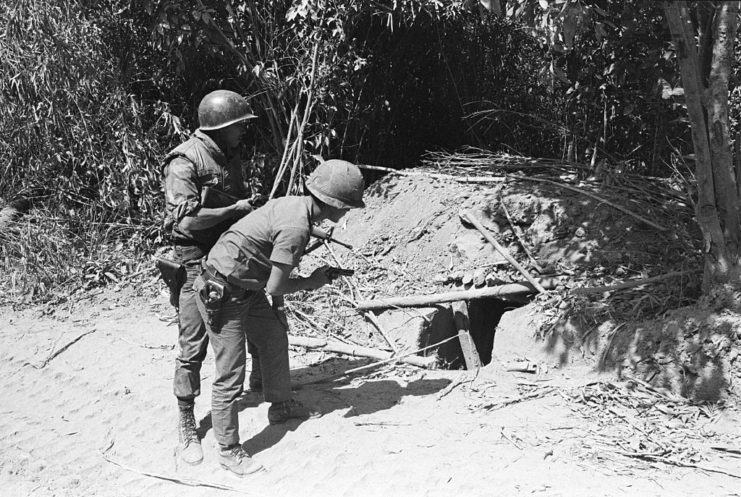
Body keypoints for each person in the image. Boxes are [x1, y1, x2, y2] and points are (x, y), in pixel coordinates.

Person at [193, 159, 365, 476]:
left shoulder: (296, 205)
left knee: (273, 337)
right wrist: (314, 281)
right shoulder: (296, 228)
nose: (347, 212)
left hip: (246, 286)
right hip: (223, 291)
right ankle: (229, 449)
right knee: (230, 371)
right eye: (348, 206)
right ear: (335, 204)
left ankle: (280, 404)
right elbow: (277, 285)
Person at [162, 89, 263, 466]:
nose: (244, 133)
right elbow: (185, 221)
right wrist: (236, 208)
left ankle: (263, 389)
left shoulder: (229, 154)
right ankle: (187, 419)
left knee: (255, 323)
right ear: (221, 127)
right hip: (195, 264)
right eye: (240, 126)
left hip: (231, 256)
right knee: (193, 344)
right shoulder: (184, 162)